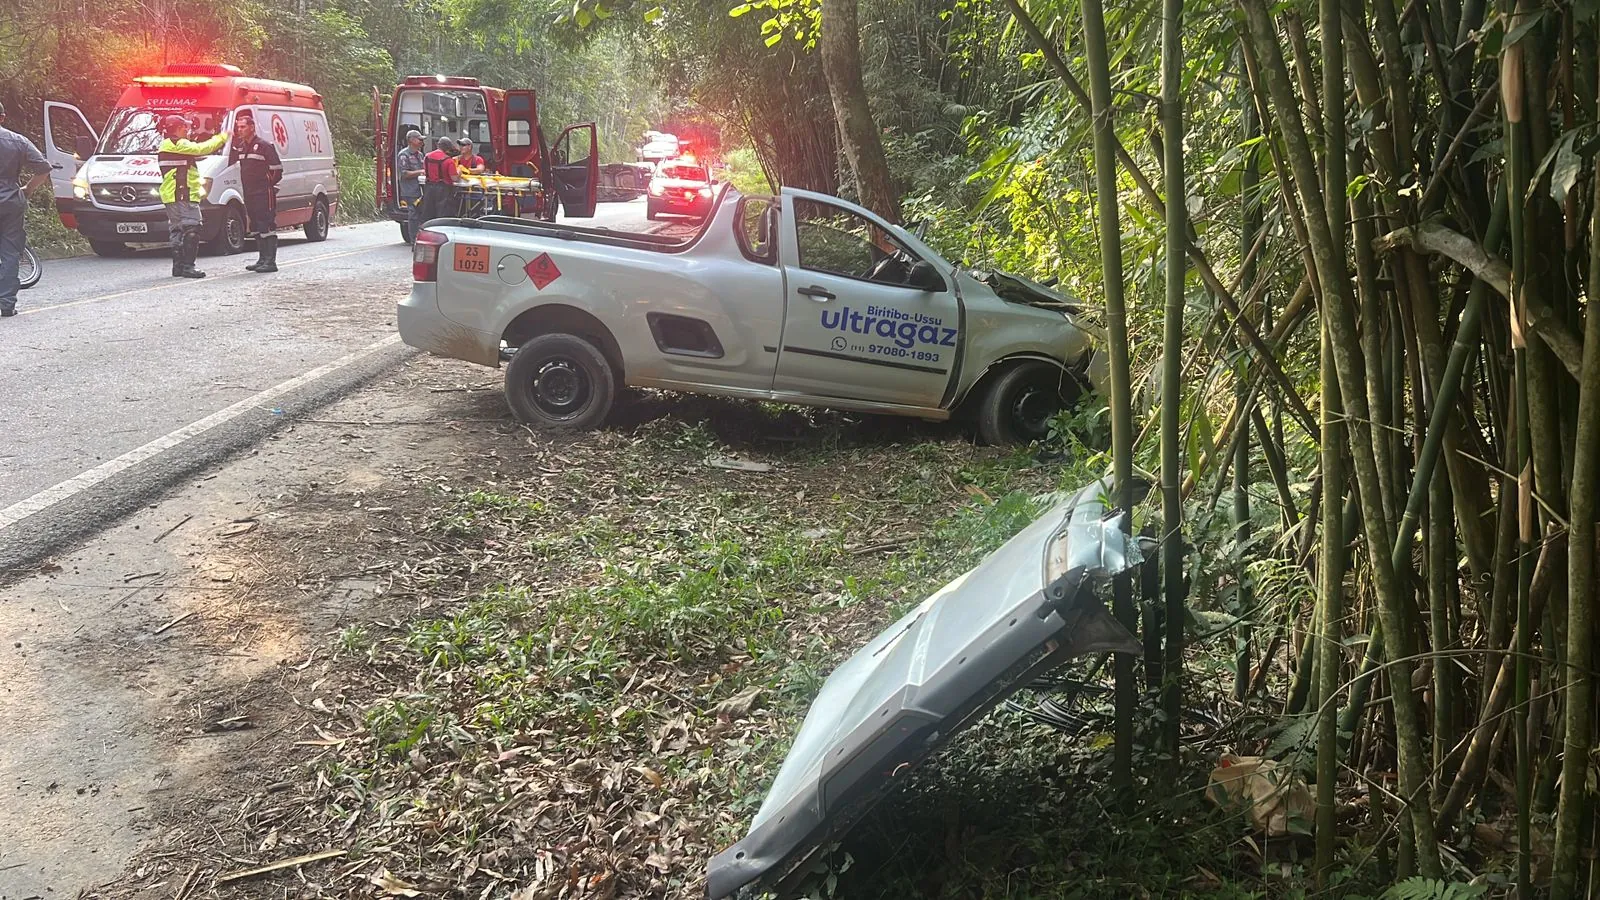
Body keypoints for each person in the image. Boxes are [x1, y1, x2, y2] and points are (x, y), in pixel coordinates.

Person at [157, 114, 226, 279]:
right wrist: (223, 137)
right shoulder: (178, 144)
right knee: (192, 228)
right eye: (185, 128)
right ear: (179, 128)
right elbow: (202, 149)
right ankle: (188, 266)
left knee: (177, 230)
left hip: (172, 195)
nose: (187, 131)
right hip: (183, 194)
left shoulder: (167, 145)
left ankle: (178, 266)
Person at [0, 102, 51, 318]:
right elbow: (43, 168)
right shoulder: (17, 140)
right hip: (10, 200)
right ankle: (6, 304)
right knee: (11, 252)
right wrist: (27, 190)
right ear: (2, 117)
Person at [228, 111, 284, 273]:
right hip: (249, 192)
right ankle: (262, 259)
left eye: (243, 127)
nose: (240, 130)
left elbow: (277, 170)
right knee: (255, 226)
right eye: (238, 127)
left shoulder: (264, 146)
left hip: (263, 193)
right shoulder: (241, 147)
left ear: (252, 127)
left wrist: (267, 185)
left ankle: (270, 261)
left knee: (266, 224)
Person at [418, 136, 459, 226]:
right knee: (442, 215)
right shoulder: (449, 161)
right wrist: (459, 172)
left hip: (428, 189)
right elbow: (454, 178)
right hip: (444, 190)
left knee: (427, 213)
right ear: (447, 148)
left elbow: (425, 171)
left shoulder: (427, 157)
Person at [395, 129, 425, 244]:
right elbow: (404, 174)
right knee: (413, 215)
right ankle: (414, 240)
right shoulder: (404, 155)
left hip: (420, 189)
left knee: (420, 215)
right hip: (410, 190)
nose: (421, 142)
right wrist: (420, 172)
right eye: (419, 139)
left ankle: (420, 237)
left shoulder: (420, 154)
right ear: (412, 140)